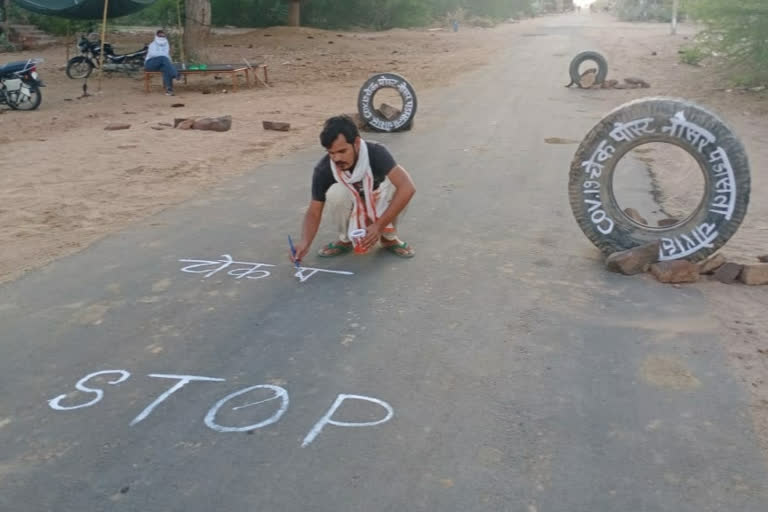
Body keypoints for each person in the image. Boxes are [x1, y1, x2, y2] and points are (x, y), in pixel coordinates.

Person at [291, 115, 416, 263]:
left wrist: (378, 226)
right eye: (331, 153)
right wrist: (305, 242)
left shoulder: (376, 152)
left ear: (356, 143)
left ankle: (388, 238)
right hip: (353, 204)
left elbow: (408, 187)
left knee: (398, 187)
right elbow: (314, 210)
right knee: (335, 194)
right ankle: (346, 239)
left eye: (342, 151)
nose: (336, 159)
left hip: (379, 201)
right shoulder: (324, 168)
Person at [144, 29, 178, 96]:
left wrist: (167, 60)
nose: (161, 37)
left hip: (161, 64)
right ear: (156, 36)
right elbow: (152, 54)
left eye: (163, 35)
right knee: (163, 58)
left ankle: (169, 90)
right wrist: (163, 55)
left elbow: (167, 55)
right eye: (160, 35)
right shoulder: (152, 44)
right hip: (150, 64)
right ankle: (176, 74)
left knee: (167, 68)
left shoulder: (166, 44)